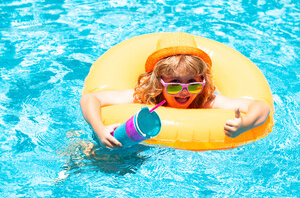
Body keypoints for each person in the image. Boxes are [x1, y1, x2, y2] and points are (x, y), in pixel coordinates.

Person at [80, 36, 270, 149]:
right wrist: (99, 129)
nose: (184, 92)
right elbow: (91, 98)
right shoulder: (146, 96)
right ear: (158, 82)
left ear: (203, 82)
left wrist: (245, 123)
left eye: (193, 84)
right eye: (174, 85)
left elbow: (260, 106)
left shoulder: (205, 101)